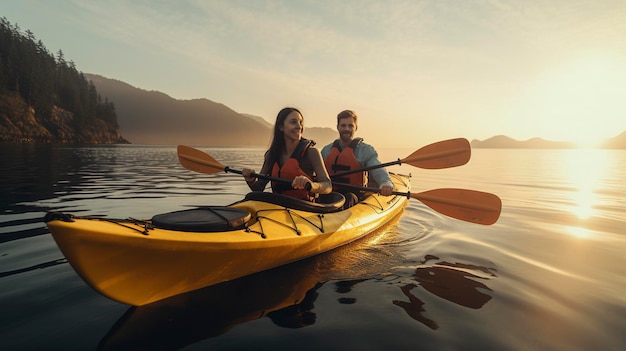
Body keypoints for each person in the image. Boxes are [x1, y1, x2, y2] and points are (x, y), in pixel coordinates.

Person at [242, 107, 332, 201]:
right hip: (278, 208)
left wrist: (311, 185)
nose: (299, 126)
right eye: (293, 122)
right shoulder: (271, 155)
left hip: (305, 208)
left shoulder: (312, 153)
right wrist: (250, 180)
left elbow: (328, 186)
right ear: (281, 127)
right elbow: (258, 188)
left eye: (300, 122)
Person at [321, 109, 394, 206]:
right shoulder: (326, 150)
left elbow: (377, 169)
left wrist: (385, 183)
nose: (347, 129)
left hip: (354, 196)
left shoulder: (366, 150)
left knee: (349, 197)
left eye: (350, 125)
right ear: (338, 127)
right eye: (343, 125)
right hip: (330, 194)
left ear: (356, 128)